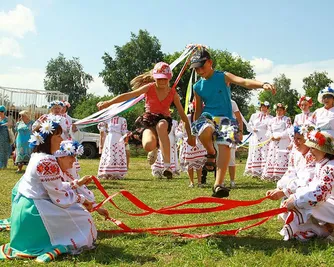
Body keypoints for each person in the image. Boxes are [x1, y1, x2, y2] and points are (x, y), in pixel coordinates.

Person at [0, 117, 96, 262]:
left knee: (79, 214)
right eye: (57, 136)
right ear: (48, 138)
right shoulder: (47, 161)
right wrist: (83, 200)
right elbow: (59, 197)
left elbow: (53, 186)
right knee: (84, 218)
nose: (61, 139)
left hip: (26, 208)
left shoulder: (37, 156)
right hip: (34, 213)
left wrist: (75, 184)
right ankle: (55, 243)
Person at [190, 47, 276, 197]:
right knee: (204, 129)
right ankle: (210, 152)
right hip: (208, 115)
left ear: (210, 62)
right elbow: (197, 110)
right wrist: (194, 126)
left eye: (201, 67)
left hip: (226, 119)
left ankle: (218, 185)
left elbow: (243, 82)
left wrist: (262, 84)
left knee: (225, 150)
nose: (199, 71)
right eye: (196, 69)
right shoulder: (197, 86)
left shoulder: (223, 76)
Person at [97, 62, 195, 179]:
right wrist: (109, 102)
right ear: (154, 77)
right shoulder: (149, 88)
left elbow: (183, 116)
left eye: (164, 79)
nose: (162, 82)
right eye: (159, 79)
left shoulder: (173, 93)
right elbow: (128, 95)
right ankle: (154, 148)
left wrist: (190, 135)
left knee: (161, 125)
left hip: (163, 120)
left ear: (169, 78)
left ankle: (167, 167)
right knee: (148, 145)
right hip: (148, 120)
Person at [280, 130, 334, 242]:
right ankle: (328, 228)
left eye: (313, 148)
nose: (310, 152)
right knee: (303, 200)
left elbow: (318, 195)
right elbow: (312, 186)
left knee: (309, 203)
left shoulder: (332, 168)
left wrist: (295, 202)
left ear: (323, 151)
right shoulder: (322, 164)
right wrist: (294, 197)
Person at [178, 102, 207, 187]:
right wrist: (186, 137)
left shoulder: (202, 118)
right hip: (189, 142)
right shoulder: (187, 117)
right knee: (189, 163)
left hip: (199, 142)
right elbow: (182, 129)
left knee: (199, 163)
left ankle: (199, 182)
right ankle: (191, 182)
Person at [262, 103, 292, 181]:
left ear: (284, 111)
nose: (279, 112)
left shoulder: (286, 119)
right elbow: (269, 130)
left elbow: (289, 129)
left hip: (283, 140)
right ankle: (272, 173)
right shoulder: (272, 120)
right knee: (274, 156)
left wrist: (281, 136)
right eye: (277, 110)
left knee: (282, 155)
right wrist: (271, 136)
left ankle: (282, 174)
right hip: (273, 140)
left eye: (280, 110)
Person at [244, 101, 272, 178]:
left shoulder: (270, 118)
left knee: (264, 153)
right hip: (255, 136)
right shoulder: (254, 116)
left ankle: (264, 171)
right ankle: (255, 171)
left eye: (265, 107)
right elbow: (249, 125)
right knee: (255, 152)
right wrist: (253, 129)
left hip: (264, 137)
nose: (264, 108)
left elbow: (271, 127)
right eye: (262, 107)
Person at [227, 100, 243, 188]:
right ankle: (219, 181)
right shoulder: (216, 99)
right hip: (219, 130)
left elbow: (239, 118)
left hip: (231, 131)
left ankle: (232, 181)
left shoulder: (232, 103)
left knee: (231, 158)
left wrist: (240, 131)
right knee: (219, 158)